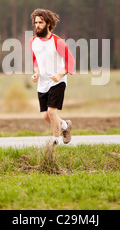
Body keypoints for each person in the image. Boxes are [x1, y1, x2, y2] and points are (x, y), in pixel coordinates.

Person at [29, 8, 75, 145]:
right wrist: (36, 72)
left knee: (51, 112)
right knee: (45, 116)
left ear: (48, 23)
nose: (37, 25)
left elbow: (71, 60)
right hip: (42, 83)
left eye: (40, 22)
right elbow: (35, 60)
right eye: (35, 22)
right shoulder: (33, 41)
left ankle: (55, 141)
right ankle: (65, 126)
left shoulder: (57, 41)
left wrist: (60, 74)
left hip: (58, 81)